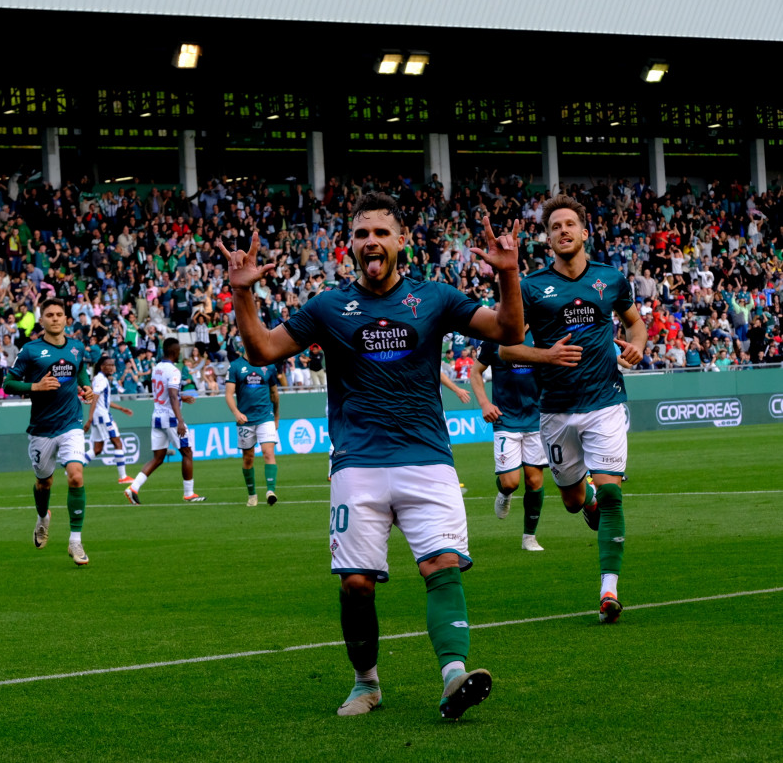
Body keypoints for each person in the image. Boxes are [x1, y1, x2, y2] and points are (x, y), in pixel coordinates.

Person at [219, 191, 525, 720]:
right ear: (351, 246)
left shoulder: (436, 297)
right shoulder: (328, 306)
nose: (371, 242)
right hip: (357, 462)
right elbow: (263, 351)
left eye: (381, 232)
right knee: (356, 584)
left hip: (427, 457)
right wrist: (242, 294)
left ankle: (454, 675)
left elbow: (509, 331)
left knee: (442, 565)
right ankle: (366, 684)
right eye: (362, 234)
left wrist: (507, 274)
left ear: (401, 241)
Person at [507, 194, 646, 623]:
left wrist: (637, 347)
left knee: (610, 491)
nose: (563, 231)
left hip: (606, 400)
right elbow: (506, 345)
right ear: (547, 238)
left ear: (585, 232)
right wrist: (545, 356)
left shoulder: (610, 279)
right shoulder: (531, 288)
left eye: (570, 224)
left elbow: (635, 322)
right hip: (555, 409)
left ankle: (609, 591)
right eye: (555, 227)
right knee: (571, 499)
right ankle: (584, 503)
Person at [3, 298, 96, 566]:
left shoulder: (77, 347)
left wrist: (86, 388)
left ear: (67, 319)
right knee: (44, 482)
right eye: (49, 315)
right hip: (41, 430)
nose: (55, 318)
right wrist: (35, 387)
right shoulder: (31, 350)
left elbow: (81, 374)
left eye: (59, 314)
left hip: (71, 424)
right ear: (41, 320)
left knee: (76, 477)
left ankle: (75, 541)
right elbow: (9, 384)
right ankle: (43, 517)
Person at [470, 318, 548, 551]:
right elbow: (476, 373)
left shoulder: (542, 334)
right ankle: (504, 493)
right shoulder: (495, 336)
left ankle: (529, 538)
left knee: (534, 480)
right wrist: (484, 404)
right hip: (506, 418)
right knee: (510, 482)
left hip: (537, 418)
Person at [124, 338, 206, 504]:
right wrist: (180, 420)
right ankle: (189, 494)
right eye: (179, 351)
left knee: (158, 458)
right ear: (174, 352)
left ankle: (133, 488)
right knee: (187, 452)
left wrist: (183, 396)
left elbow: (166, 393)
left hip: (157, 417)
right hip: (171, 419)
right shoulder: (174, 371)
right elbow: (172, 395)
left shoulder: (157, 368)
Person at [225, 337, 280, 507]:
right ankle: (252, 494)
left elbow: (274, 394)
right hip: (246, 419)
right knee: (248, 458)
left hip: (265, 417)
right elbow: (228, 394)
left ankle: (271, 491)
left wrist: (276, 417)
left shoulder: (269, 365)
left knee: (268, 452)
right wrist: (236, 412)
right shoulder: (235, 366)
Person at [84, 356, 135, 485]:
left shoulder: (100, 379)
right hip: (103, 417)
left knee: (97, 449)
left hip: (100, 416)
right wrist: (89, 419)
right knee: (117, 443)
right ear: (102, 367)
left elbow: (104, 401)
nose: (112, 367)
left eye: (113, 365)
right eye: (109, 365)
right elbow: (94, 398)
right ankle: (123, 476)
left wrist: (121, 408)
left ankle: (72, 467)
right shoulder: (101, 380)